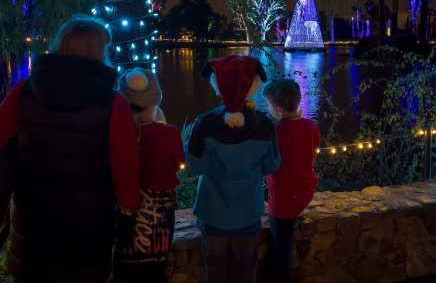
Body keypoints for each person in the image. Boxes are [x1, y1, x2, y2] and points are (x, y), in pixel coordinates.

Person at [0, 15, 141, 283]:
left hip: (33, 223)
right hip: (88, 227)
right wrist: (129, 212)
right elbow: (125, 166)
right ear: (100, 51)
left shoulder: (24, 92)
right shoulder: (114, 104)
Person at [185, 55, 280, 283]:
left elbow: (193, 165)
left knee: (215, 273)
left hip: (213, 214)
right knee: (246, 272)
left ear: (218, 85)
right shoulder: (266, 125)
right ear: (253, 85)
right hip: (248, 214)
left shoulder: (204, 123)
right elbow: (272, 165)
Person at [113, 68, 183, 283]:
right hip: (160, 217)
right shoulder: (169, 134)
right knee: (156, 270)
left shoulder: (117, 136)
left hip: (127, 216)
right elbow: (178, 163)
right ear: (155, 101)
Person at [263, 79, 321, 283]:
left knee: (280, 248)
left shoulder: (276, 131)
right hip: (304, 191)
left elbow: (268, 162)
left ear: (277, 109)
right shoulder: (310, 126)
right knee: (284, 243)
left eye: (268, 106)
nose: (267, 109)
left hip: (282, 199)